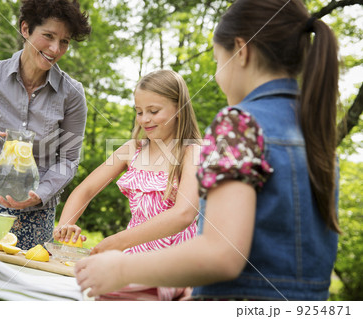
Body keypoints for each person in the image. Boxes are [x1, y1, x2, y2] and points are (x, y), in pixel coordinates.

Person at [74, 0, 340, 301]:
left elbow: (222, 254)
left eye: (217, 60)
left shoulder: (239, 123)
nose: (216, 73)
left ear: (242, 51)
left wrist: (121, 269)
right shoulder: (315, 128)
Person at [0, 0, 91, 250]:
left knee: (19, 280)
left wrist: (41, 193)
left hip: (33, 214)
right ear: (25, 29)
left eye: (65, 41)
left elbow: (69, 159)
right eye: (48, 35)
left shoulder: (72, 94)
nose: (55, 48)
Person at [53, 69, 202, 255]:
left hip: (176, 263)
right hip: (131, 260)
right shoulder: (132, 150)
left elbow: (183, 214)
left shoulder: (192, 153)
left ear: (179, 109)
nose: (144, 119)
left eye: (154, 111)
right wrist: (65, 226)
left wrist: (118, 241)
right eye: (139, 112)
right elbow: (86, 190)